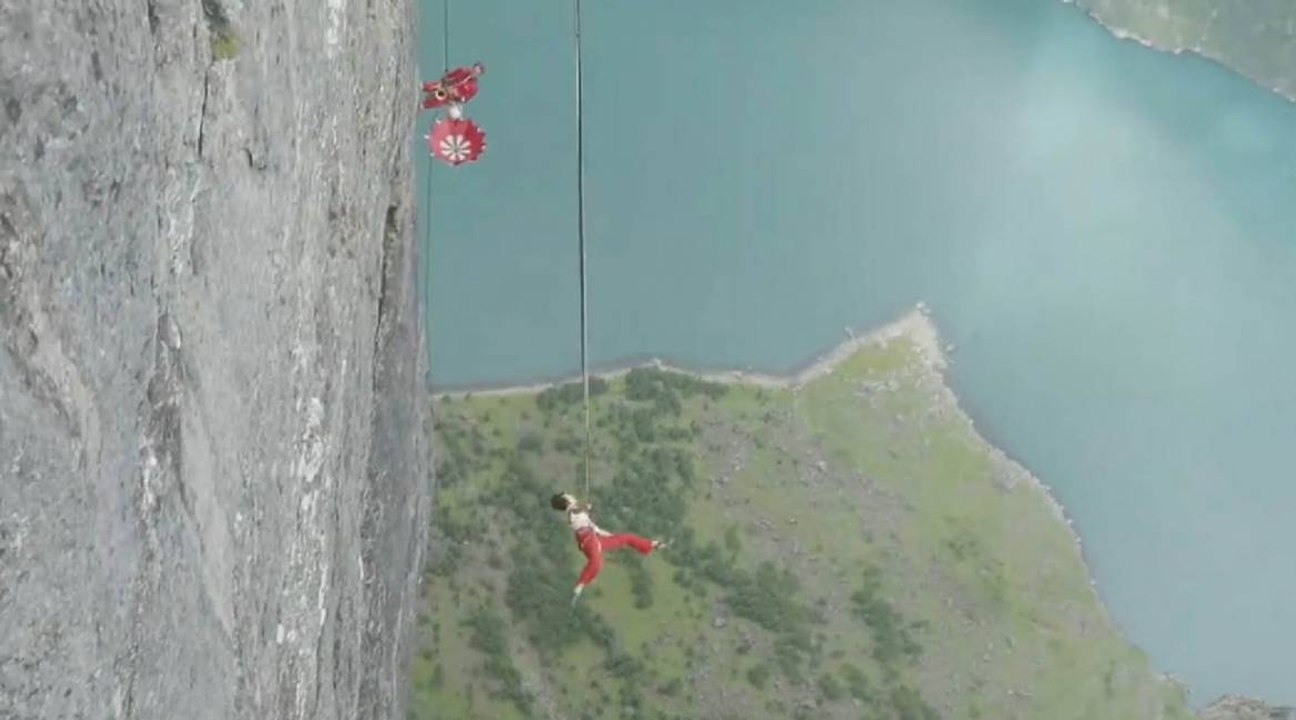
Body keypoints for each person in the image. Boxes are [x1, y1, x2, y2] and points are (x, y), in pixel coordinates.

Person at [550, 492, 668, 605]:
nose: (572, 496)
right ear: (567, 502)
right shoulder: (572, 513)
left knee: (627, 538)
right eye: (568, 496)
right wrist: (586, 507)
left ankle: (653, 544)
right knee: (596, 563)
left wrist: (612, 536)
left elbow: (595, 528)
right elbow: (577, 511)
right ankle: (579, 585)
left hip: (594, 539)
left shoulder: (577, 512)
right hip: (588, 542)